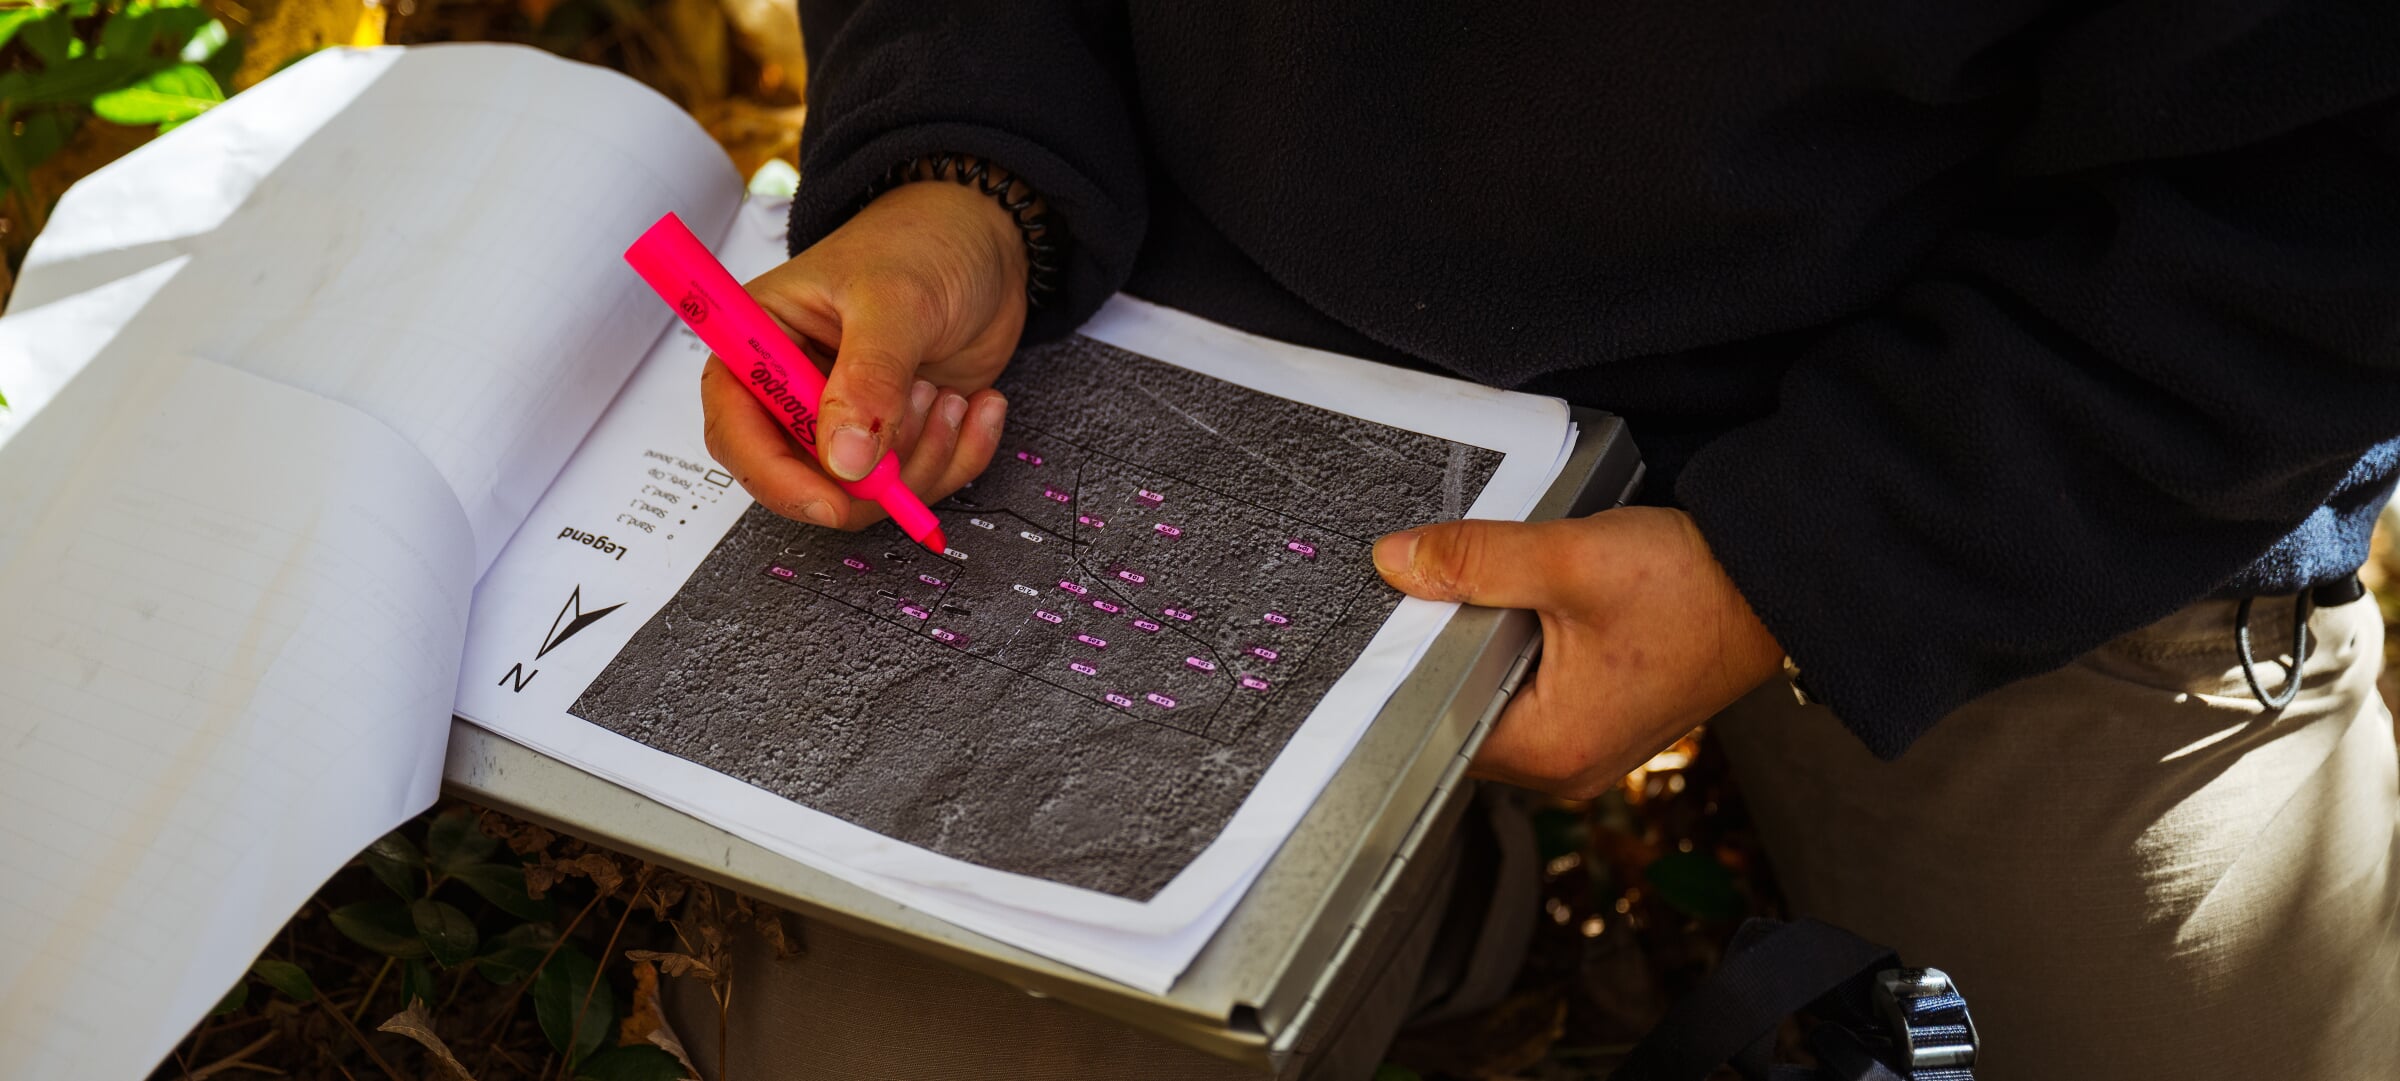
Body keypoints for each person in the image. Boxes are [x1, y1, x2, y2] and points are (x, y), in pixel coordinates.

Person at [700, 3, 2400, 1076]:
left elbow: (2329, 194)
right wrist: (966, 164)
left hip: (2054, 389)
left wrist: (1820, 561)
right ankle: (1437, 895)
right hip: (1248, 294)